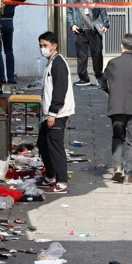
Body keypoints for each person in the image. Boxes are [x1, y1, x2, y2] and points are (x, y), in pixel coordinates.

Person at [100, 33, 132, 184]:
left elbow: (103, 83)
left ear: (121, 46)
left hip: (116, 108)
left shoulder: (112, 64)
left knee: (117, 138)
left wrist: (113, 93)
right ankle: (129, 175)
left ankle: (117, 167)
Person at [36, 31, 75, 194]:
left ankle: (61, 182)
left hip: (57, 114)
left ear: (54, 46)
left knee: (55, 147)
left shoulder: (58, 63)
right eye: (40, 46)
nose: (42, 49)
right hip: (49, 114)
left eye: (45, 46)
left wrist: (52, 113)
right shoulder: (51, 62)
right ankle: (50, 175)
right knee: (43, 144)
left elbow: (59, 90)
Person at [67, 0, 110, 86]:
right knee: (81, 55)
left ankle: (99, 77)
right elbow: (69, 11)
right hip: (79, 30)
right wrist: (72, 24)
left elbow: (102, 10)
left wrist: (105, 24)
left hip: (94, 29)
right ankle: (83, 78)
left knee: (97, 53)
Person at [0, 0, 30, 84]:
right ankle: (10, 77)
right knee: (9, 50)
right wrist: (15, 3)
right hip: (9, 22)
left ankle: (1, 77)